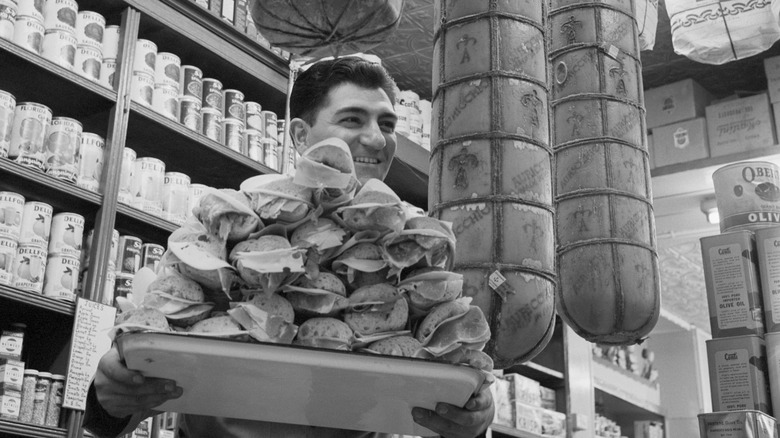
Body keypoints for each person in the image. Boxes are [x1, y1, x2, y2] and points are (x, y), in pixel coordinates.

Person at [83, 56, 494, 438]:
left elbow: (447, 376)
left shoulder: (418, 247)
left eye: (387, 125)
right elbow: (123, 394)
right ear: (300, 134)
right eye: (352, 119)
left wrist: (474, 416)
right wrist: (111, 395)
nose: (375, 138)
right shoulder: (226, 222)